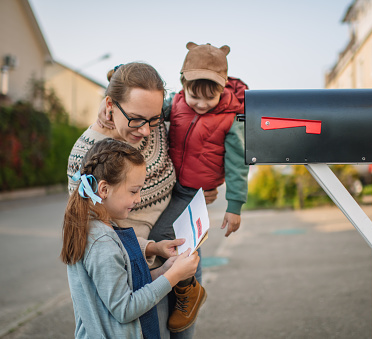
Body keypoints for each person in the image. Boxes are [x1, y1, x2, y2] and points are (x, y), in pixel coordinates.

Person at [68, 62, 211, 338]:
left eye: (154, 119)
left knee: (184, 332)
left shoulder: (149, 117)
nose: (147, 130)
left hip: (174, 244)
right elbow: (88, 230)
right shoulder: (85, 154)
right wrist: (151, 249)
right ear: (109, 106)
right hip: (138, 268)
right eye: (136, 119)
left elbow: (202, 101)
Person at [147, 41, 249, 332]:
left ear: (223, 87)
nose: (202, 105)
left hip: (194, 191)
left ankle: (189, 290)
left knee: (163, 235)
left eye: (211, 97)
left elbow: (237, 164)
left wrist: (235, 206)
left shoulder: (229, 118)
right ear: (183, 85)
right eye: (195, 96)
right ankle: (189, 288)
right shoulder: (176, 103)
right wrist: (120, 79)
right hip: (173, 184)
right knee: (188, 243)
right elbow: (151, 107)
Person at [61, 138, 200, 339]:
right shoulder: (102, 242)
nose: (139, 198)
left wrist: (164, 271)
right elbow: (125, 309)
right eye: (134, 191)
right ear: (104, 189)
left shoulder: (98, 226)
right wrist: (172, 278)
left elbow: (123, 285)